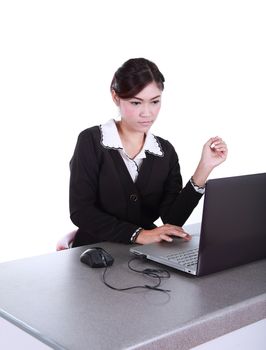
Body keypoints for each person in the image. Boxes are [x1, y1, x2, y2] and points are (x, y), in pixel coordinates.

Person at [69, 58, 228, 248]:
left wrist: (204, 168)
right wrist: (140, 234)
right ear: (115, 97)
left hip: (144, 256)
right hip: (94, 251)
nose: (147, 113)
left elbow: (172, 219)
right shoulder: (92, 141)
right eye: (136, 103)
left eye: (154, 102)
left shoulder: (164, 151)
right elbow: (81, 211)